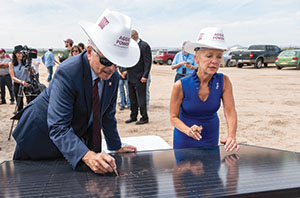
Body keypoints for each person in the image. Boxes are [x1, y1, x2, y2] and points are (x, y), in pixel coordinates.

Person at [12, 9, 140, 175]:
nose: (112, 68)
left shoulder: (112, 77)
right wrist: (86, 155)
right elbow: (58, 126)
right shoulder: (68, 72)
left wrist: (115, 146)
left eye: (118, 63)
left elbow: (107, 114)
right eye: (106, 60)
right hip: (38, 138)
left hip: (70, 142)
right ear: (89, 51)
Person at [170, 27, 239, 152]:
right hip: (184, 139)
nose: (214, 61)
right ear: (196, 58)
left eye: (219, 57)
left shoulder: (224, 81)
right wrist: (188, 130)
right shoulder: (180, 85)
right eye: (209, 56)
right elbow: (173, 117)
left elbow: (230, 112)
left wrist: (231, 136)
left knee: (211, 170)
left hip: (211, 139)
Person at [125, 30, 152, 125]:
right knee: (132, 99)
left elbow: (148, 62)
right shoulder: (130, 47)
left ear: (134, 37)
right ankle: (133, 116)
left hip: (140, 77)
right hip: (130, 76)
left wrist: (145, 75)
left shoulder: (144, 46)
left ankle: (144, 117)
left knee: (141, 99)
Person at [9, 45, 33, 111]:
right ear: (15, 54)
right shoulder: (11, 63)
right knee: (19, 102)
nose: (20, 55)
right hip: (17, 83)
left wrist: (32, 71)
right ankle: (20, 115)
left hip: (27, 83)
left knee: (30, 100)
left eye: (22, 53)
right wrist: (21, 82)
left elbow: (30, 74)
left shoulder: (26, 62)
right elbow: (13, 77)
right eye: (18, 53)